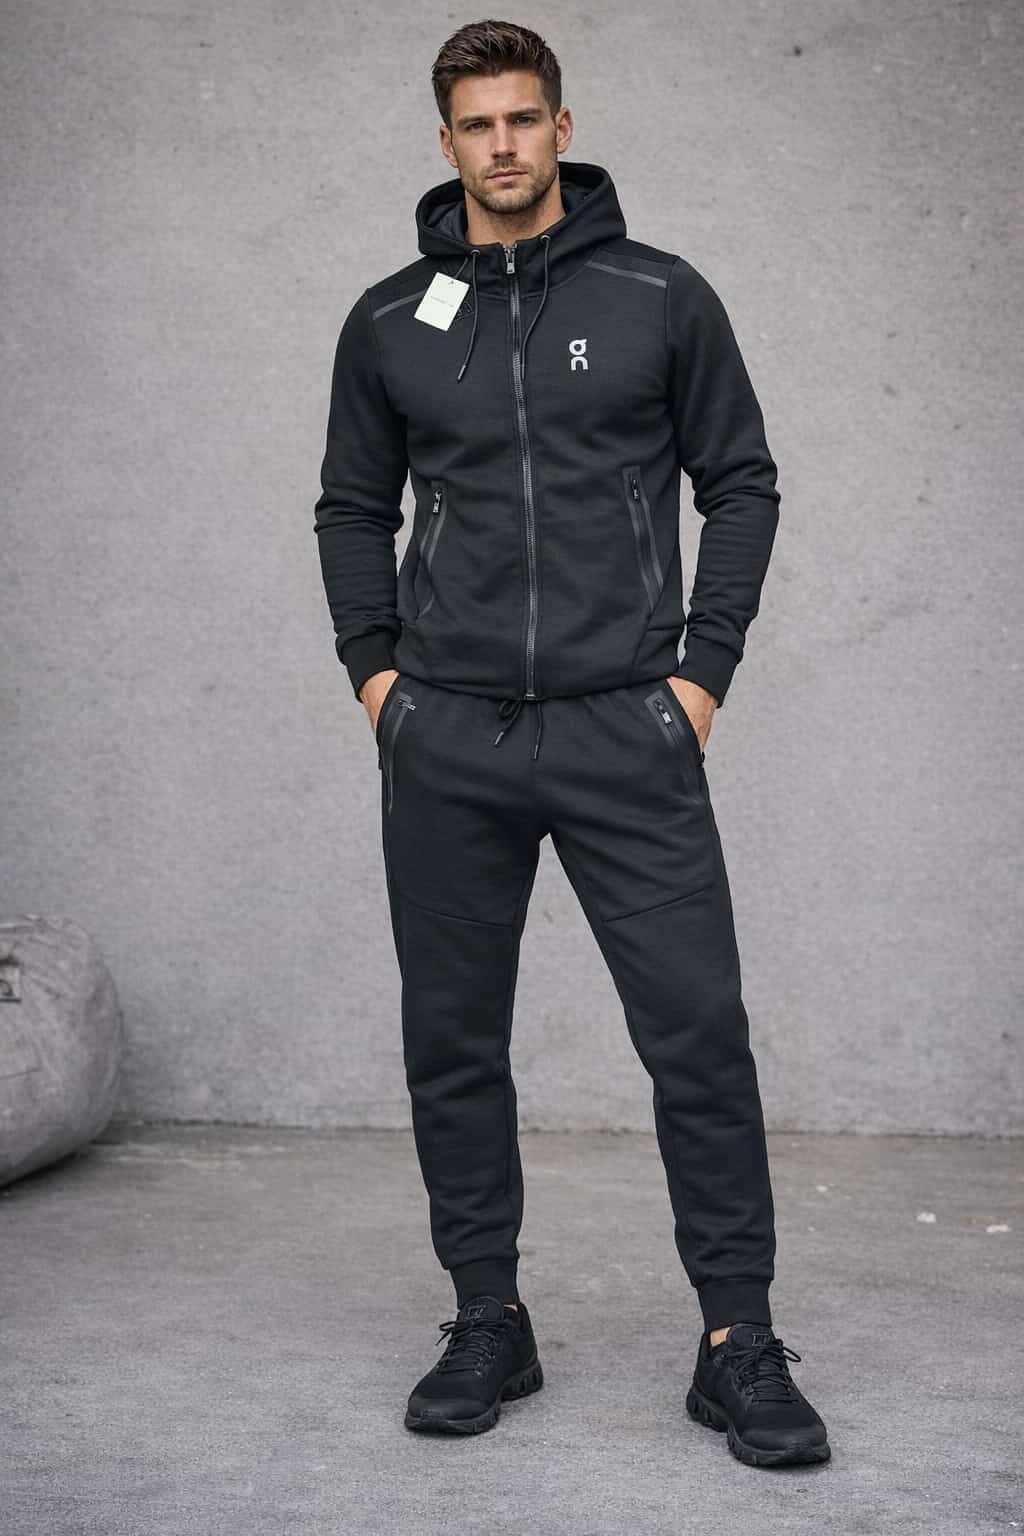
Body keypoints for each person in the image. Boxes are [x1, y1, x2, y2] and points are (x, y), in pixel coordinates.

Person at [312, 18, 830, 1467]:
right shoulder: (390, 318)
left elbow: (742, 482)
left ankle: (737, 1343)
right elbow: (352, 506)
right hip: (448, 738)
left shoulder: (660, 296)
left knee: (699, 1038)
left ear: (561, 126)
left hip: (627, 732)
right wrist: (379, 682)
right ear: (447, 142)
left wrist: (701, 678)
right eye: (477, 124)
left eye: (524, 118)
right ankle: (489, 1317)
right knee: (453, 1043)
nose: (504, 145)